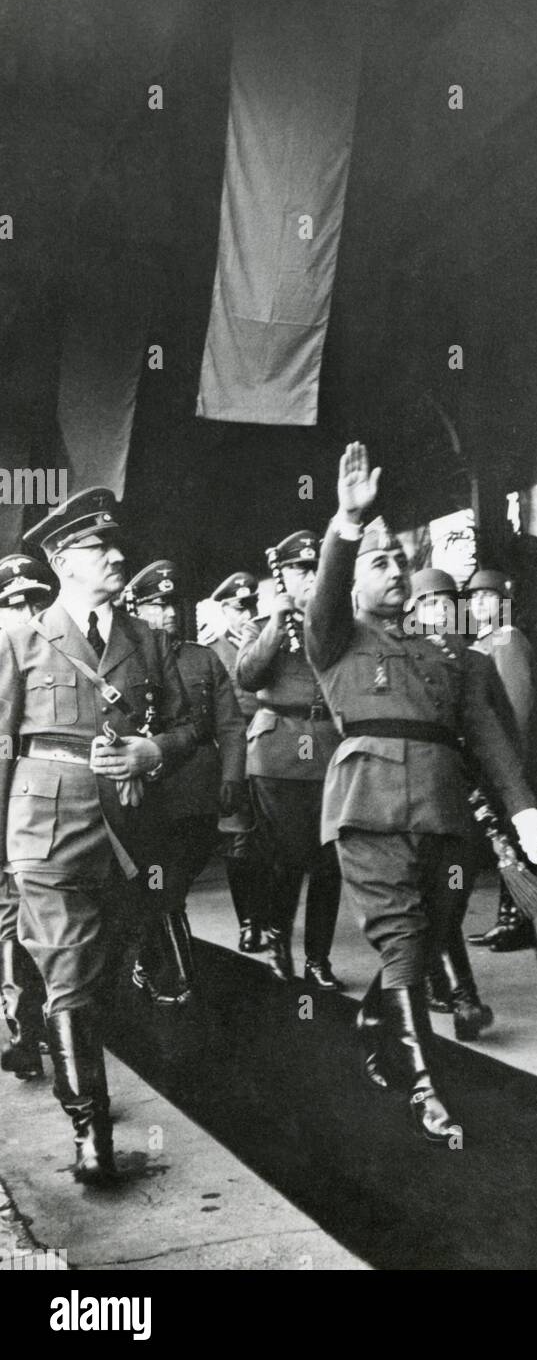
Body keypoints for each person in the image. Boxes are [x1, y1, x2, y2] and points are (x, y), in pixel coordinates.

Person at [304, 443, 537, 1143]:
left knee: (433, 928)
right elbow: (323, 598)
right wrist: (346, 528)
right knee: (403, 942)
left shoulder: (450, 656)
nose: (392, 573)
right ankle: (424, 1089)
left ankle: (376, 1020)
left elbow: (487, 736)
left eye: (398, 563)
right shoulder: (334, 641)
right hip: (369, 811)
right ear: (351, 581)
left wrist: (523, 805)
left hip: (445, 814)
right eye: (376, 563)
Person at [0, 489, 195, 1183]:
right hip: (45, 825)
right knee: (66, 973)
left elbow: (186, 726)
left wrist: (153, 753)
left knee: (108, 968)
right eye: (96, 547)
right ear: (60, 561)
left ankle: (81, 1088)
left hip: (130, 827)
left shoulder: (149, 642)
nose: (116, 556)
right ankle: (90, 1132)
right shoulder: (21, 637)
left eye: (116, 544)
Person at [122, 560, 247, 1004]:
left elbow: (231, 725)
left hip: (197, 793)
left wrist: (233, 776)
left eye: (172, 604)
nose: (169, 613)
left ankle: (157, 962)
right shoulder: (126, 660)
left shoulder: (203, 657)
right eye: (156, 605)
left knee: (171, 883)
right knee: (160, 885)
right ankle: (176, 975)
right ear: (135, 609)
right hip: (145, 796)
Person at [236, 531, 344, 990]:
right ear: (282, 576)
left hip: (330, 751)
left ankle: (318, 958)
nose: (310, 577)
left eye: (316, 568)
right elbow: (247, 676)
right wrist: (277, 625)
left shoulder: (338, 623)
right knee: (287, 857)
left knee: (329, 862)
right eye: (300, 569)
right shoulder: (261, 626)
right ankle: (278, 938)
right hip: (278, 752)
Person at [408, 568, 494, 1041]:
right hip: (417, 793)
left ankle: (441, 983)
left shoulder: (476, 661)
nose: (438, 613)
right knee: (429, 894)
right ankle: (462, 996)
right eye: (428, 605)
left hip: (466, 795)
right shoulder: (400, 662)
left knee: (451, 896)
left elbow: (496, 730)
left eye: (445, 604)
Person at [0, 554, 54, 1080]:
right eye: (13, 604)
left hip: (51, 817)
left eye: (36, 600)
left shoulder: (63, 660)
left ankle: (49, 1029)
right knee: (12, 923)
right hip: (8, 820)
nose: (26, 612)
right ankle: (23, 1031)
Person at [465, 568, 536, 953]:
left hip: (507, 756)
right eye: (474, 598)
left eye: (488, 597)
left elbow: (515, 706)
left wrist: (510, 760)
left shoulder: (506, 639)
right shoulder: (483, 641)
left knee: (512, 840)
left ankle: (518, 921)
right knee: (502, 840)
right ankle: (508, 919)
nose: (479, 603)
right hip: (492, 758)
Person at [209, 572, 264, 952]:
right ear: (225, 610)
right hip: (235, 751)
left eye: (253, 605)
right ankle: (249, 922)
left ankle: (271, 918)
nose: (249, 613)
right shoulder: (211, 652)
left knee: (273, 839)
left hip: (273, 749)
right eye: (241, 607)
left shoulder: (269, 642)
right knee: (240, 840)